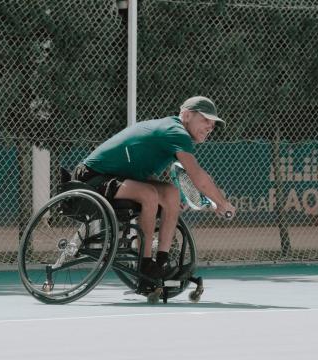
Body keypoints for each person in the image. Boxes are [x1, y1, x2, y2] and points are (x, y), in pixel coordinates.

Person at [72, 96, 236, 285]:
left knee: (171, 194)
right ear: (187, 115)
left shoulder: (172, 133)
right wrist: (222, 203)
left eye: (213, 124)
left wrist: (168, 203)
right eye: (206, 120)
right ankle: (146, 263)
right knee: (149, 194)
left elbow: (144, 175)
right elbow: (198, 175)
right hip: (91, 177)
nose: (210, 127)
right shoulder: (176, 131)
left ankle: (161, 263)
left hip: (119, 178)